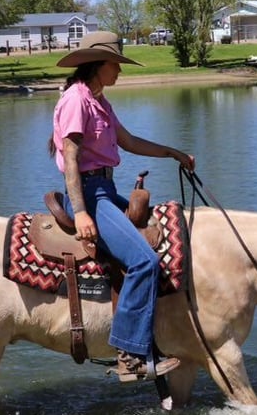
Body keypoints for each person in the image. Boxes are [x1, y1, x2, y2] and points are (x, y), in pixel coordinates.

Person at [49, 31, 195, 383]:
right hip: (88, 191)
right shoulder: (76, 100)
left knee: (159, 231)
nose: (120, 71)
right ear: (99, 65)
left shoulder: (99, 101)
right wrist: (81, 211)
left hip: (104, 186)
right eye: (116, 64)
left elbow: (128, 141)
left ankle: (158, 335)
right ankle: (129, 354)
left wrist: (171, 152)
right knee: (144, 261)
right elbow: (71, 158)